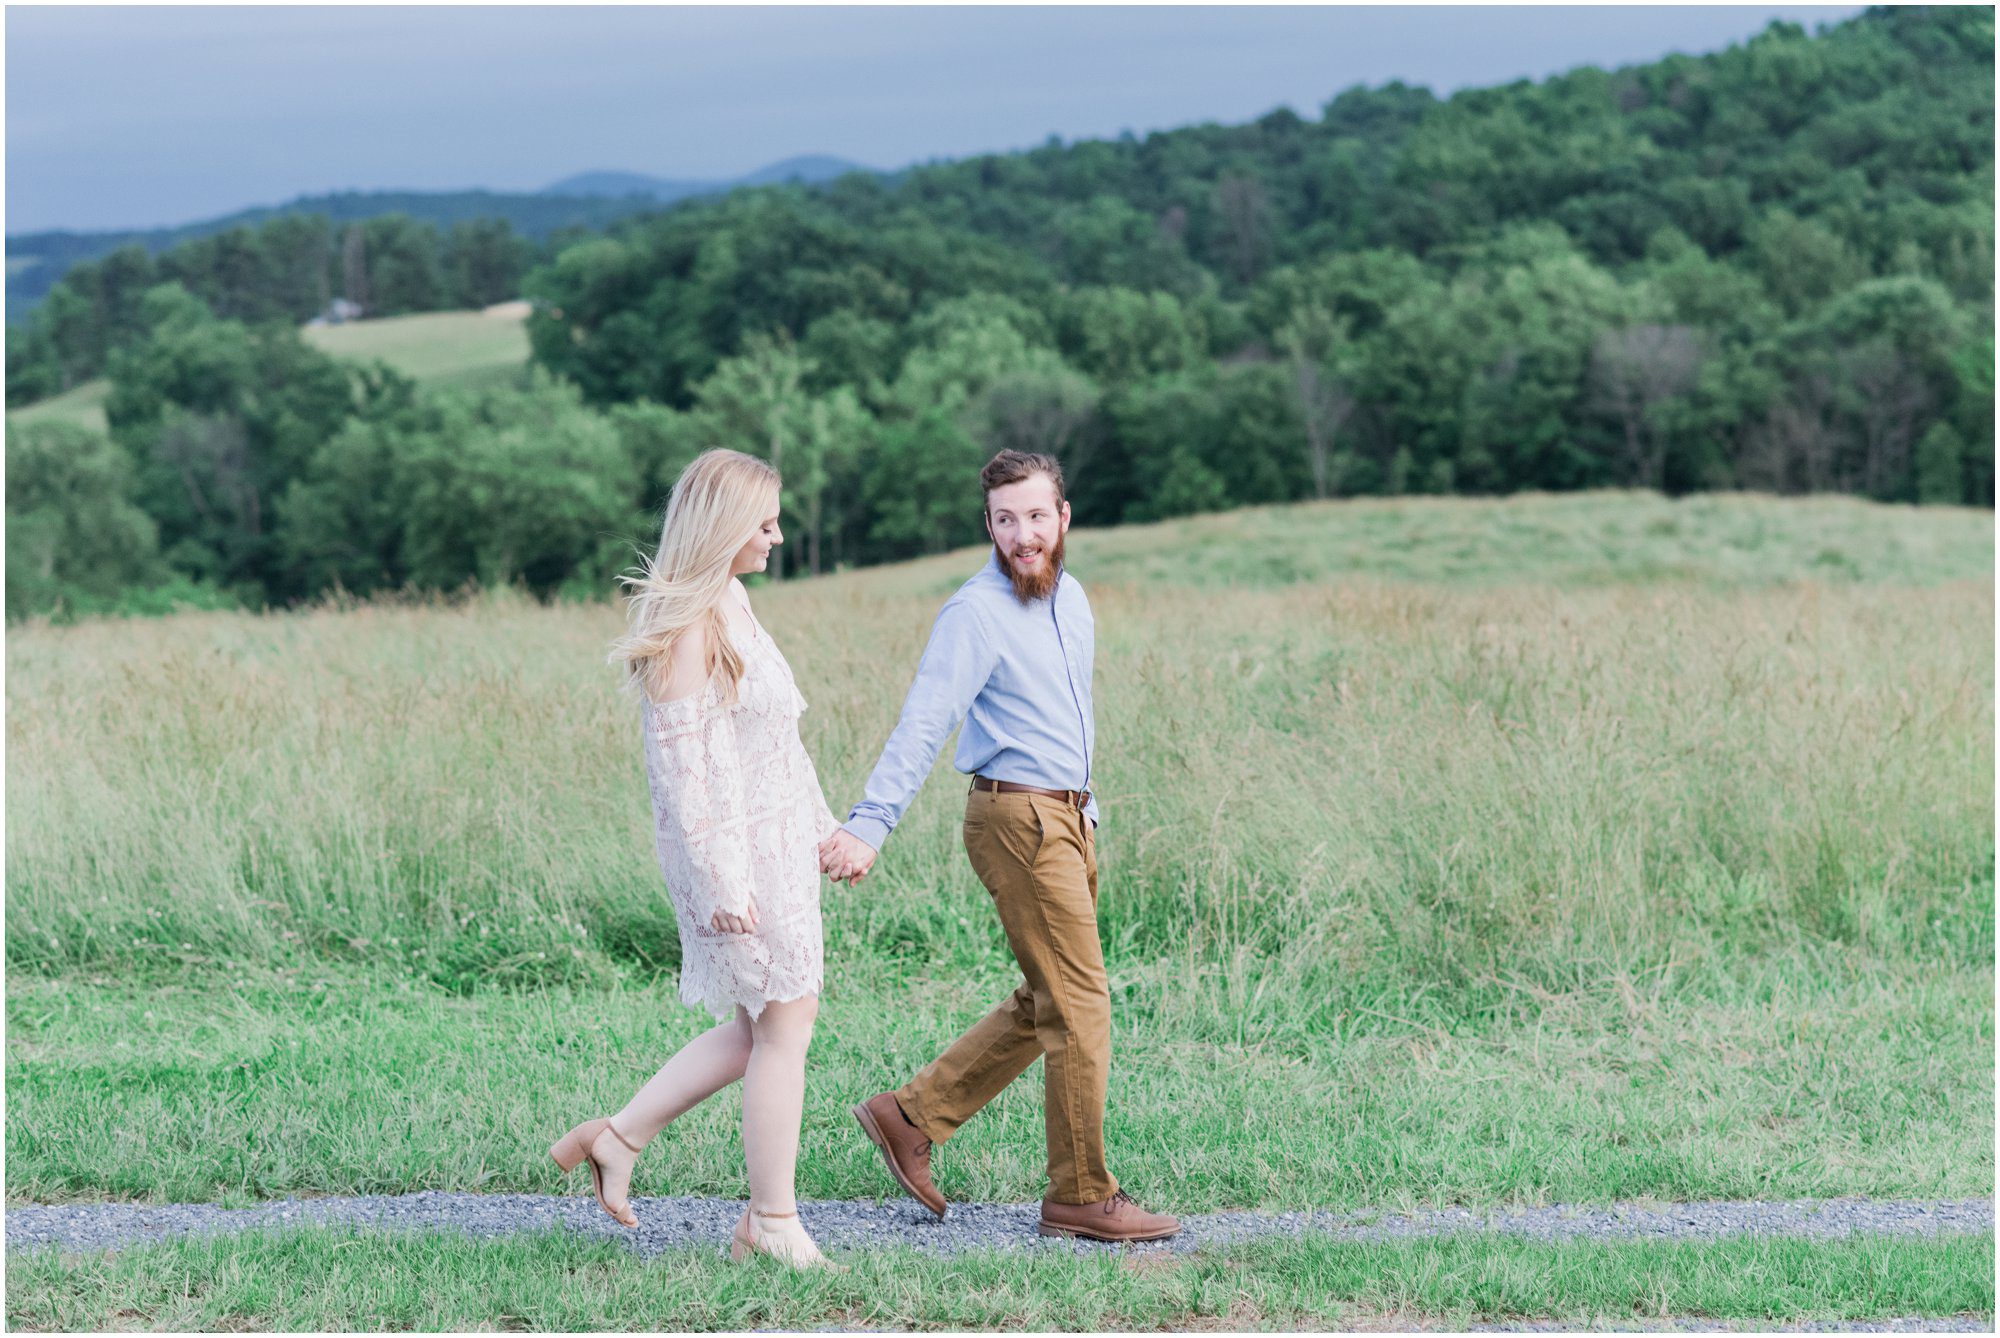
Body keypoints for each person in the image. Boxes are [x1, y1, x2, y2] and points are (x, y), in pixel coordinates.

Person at [818, 449, 1181, 1244]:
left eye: (1036, 516)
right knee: (1082, 1005)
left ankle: (909, 1118)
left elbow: (1068, 715)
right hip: (1015, 822)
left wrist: (1090, 812)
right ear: (988, 525)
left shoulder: (1072, 599)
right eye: (1005, 520)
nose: (1023, 534)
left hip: (1071, 817)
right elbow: (925, 719)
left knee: (1051, 996)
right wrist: (868, 823)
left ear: (1063, 517)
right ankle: (1082, 1193)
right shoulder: (974, 612)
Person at [551, 448, 843, 1269]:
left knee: (765, 1026)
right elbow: (685, 776)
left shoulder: (735, 600)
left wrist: (821, 828)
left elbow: (775, 737)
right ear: (722, 527)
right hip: (736, 860)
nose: (778, 536)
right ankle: (772, 1219)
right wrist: (722, 883)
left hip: (777, 843)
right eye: (764, 522)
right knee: (784, 1024)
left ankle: (619, 1139)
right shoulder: (687, 628)